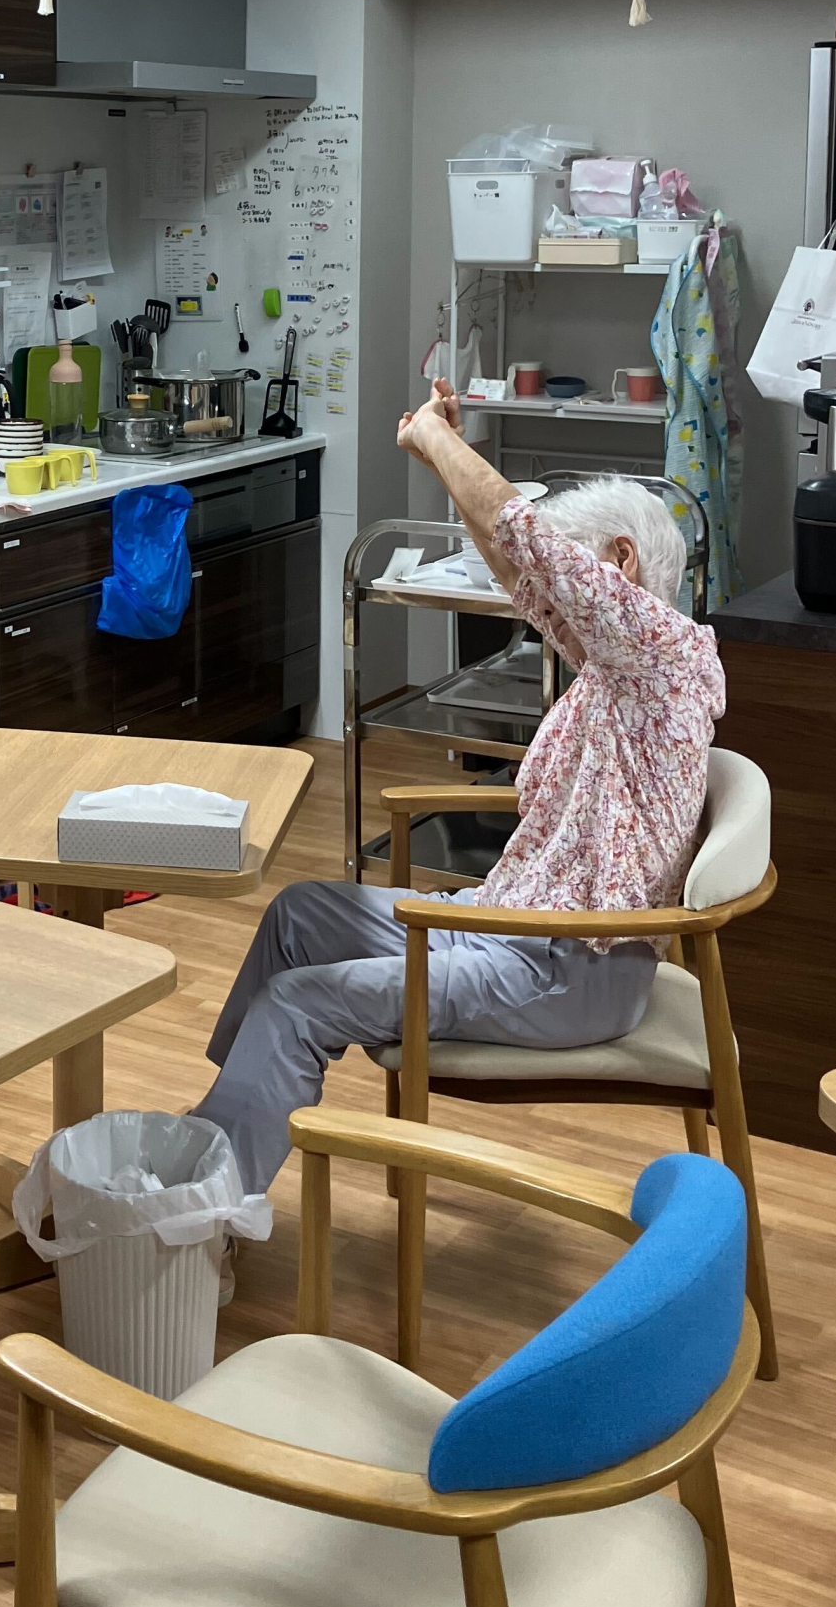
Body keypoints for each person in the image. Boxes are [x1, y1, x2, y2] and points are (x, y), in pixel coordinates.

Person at [192, 384, 723, 1195]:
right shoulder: (612, 669)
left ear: (619, 565)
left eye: (568, 579)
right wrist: (434, 454)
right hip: (503, 927)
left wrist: (444, 445)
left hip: (567, 969)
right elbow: (523, 571)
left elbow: (529, 544)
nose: (548, 603)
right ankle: (217, 1133)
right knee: (297, 914)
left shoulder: (663, 660)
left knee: (298, 1003)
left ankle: (203, 1209)